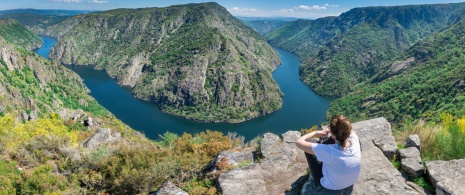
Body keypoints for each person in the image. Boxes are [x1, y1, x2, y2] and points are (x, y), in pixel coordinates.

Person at [296, 115, 361, 194]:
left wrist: (315, 133)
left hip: (331, 185)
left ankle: (321, 145)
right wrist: (333, 130)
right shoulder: (354, 139)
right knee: (334, 141)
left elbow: (299, 142)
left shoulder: (329, 151)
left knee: (308, 145)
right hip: (351, 181)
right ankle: (324, 143)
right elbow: (346, 130)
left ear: (333, 134)